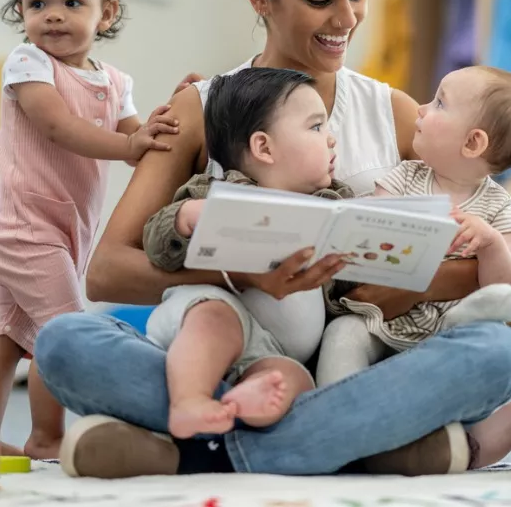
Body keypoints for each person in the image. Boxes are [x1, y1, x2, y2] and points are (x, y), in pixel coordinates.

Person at [35, 0, 511, 479]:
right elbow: (105, 272)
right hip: (236, 348)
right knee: (65, 343)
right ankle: (340, 445)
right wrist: (240, 281)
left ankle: (205, 450)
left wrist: (395, 286)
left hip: (349, 358)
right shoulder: (201, 107)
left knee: (493, 353)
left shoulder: (398, 113)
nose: (347, 19)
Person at [0, 0, 177, 459]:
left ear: (107, 13)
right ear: (21, 10)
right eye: (37, 2)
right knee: (67, 330)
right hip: (20, 221)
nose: (52, 14)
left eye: (72, 1)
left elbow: (137, 135)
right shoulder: (28, 63)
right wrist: (128, 148)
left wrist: (178, 113)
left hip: (65, 224)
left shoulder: (114, 80)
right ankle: (47, 437)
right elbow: (58, 127)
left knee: (10, 335)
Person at [143, 68, 353, 439]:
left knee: (294, 382)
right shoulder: (217, 193)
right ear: (264, 148)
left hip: (272, 352)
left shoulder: (336, 206)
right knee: (214, 318)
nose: (332, 140)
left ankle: (239, 406)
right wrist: (184, 218)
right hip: (212, 318)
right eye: (317, 127)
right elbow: (158, 247)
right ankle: (189, 401)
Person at [318, 65, 511, 386]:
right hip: (384, 319)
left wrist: (491, 244)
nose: (421, 108)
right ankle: (334, 409)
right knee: (342, 333)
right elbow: (367, 227)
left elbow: (506, 286)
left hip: (454, 332)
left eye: (439, 103)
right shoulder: (405, 176)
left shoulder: (497, 206)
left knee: (487, 343)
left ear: (473, 143)